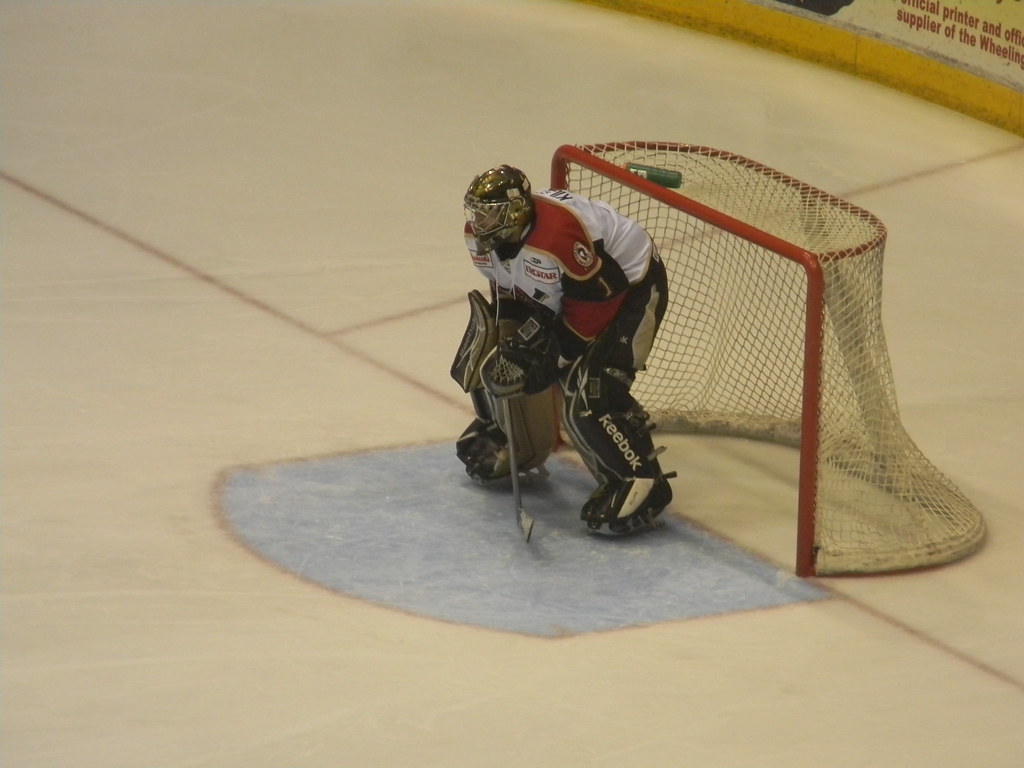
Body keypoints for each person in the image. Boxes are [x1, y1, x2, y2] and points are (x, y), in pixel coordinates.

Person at [450, 164, 674, 535]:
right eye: (476, 211)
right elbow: (508, 288)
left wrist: (557, 356)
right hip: (576, 293)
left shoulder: (557, 236)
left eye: (490, 212)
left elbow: (598, 302)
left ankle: (639, 481)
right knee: (496, 352)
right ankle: (512, 437)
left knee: (591, 390)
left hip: (629, 287)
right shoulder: (477, 238)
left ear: (516, 212)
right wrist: (518, 344)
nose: (480, 221)